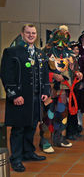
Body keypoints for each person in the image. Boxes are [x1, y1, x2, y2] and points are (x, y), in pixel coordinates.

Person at [1, 24, 50, 172]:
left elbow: (45, 75)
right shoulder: (11, 52)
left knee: (31, 126)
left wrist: (46, 91)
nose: (31, 35)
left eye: (33, 33)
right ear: (22, 34)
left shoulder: (40, 54)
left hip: (36, 98)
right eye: (28, 33)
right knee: (18, 129)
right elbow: (6, 75)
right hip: (20, 98)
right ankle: (16, 158)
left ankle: (28, 153)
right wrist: (14, 94)